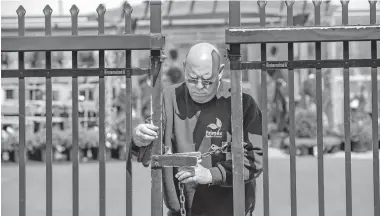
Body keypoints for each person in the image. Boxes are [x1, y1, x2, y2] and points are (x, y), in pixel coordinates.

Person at [132, 43, 263, 216]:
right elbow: (147, 150)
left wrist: (211, 174)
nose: (199, 87)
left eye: (207, 80)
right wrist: (139, 138)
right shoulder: (169, 97)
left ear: (221, 71)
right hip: (183, 210)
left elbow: (256, 158)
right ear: (184, 68)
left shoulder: (241, 101)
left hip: (231, 209)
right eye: (192, 79)